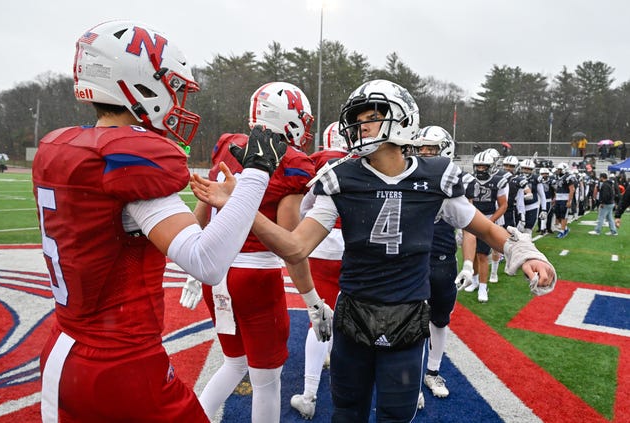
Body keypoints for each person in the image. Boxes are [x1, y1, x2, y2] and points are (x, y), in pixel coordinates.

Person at [191, 79, 557, 422]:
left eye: (371, 118)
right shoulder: (340, 178)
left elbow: (484, 227)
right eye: (357, 120)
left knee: (395, 416)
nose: (360, 127)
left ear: (400, 119)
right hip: (354, 318)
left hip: (408, 318)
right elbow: (295, 246)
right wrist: (242, 207)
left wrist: (524, 253)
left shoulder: (437, 176)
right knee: (347, 413)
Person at [32, 20, 289, 423]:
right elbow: (206, 261)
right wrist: (256, 174)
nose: (177, 99)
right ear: (139, 84)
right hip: (122, 364)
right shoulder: (125, 156)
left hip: (62, 350)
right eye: (171, 86)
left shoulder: (62, 147)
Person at [188, 81, 330, 423]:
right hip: (255, 276)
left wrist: (195, 267)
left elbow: (204, 209)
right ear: (287, 118)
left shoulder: (228, 145)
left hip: (216, 273)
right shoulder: (292, 161)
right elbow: (291, 247)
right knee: (267, 379)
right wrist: (312, 301)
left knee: (234, 363)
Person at [290, 121, 350, 419]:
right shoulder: (359, 162)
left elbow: (305, 207)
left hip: (323, 245)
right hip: (354, 247)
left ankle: (310, 394)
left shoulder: (316, 162)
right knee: (353, 315)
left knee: (320, 313)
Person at [406, 126, 458, 405]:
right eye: (421, 148)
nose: (424, 154)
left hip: (443, 260)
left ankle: (433, 371)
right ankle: (411, 383)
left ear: (445, 150)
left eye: (431, 149)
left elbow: (471, 223)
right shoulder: (408, 178)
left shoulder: (454, 182)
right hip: (415, 261)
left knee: (439, 319)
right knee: (412, 321)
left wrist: (471, 263)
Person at [462, 150, 508, 303]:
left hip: (488, 217)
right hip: (472, 217)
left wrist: (490, 221)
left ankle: (483, 286)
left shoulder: (498, 181)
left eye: (484, 167)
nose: (480, 169)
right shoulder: (469, 180)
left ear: (492, 167)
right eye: (478, 167)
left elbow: (503, 205)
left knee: (482, 255)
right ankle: (474, 281)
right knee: (472, 254)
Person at [515, 159, 546, 234]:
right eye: (525, 168)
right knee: (517, 230)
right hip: (518, 207)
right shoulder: (516, 177)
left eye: (529, 169)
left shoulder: (536, 178)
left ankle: (527, 245)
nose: (526, 170)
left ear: (533, 170)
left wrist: (544, 209)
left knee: (528, 229)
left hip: (532, 206)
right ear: (521, 168)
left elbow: (542, 195)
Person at [553, 162, 576, 238]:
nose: (558, 171)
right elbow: (557, 189)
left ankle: (562, 231)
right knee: (558, 215)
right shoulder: (557, 177)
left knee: (563, 216)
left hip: (565, 199)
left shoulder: (568, 177)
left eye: (560, 169)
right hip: (558, 198)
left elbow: (572, 189)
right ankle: (565, 228)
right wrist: (555, 198)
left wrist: (569, 201)